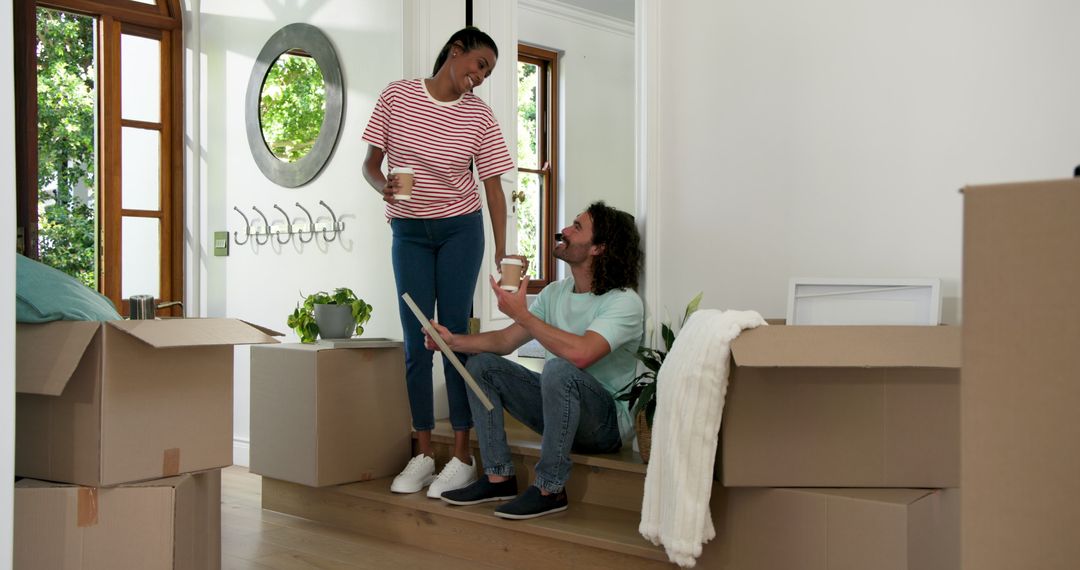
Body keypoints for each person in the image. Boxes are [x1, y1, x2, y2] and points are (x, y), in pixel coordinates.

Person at [361, 27, 518, 499]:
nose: (481, 76)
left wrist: (501, 248)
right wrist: (381, 187)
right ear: (455, 52)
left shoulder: (479, 116)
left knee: (453, 336)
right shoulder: (397, 95)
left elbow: (492, 186)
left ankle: (463, 457)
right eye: (479, 64)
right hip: (408, 231)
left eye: (488, 71)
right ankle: (424, 453)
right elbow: (371, 164)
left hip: (459, 230)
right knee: (416, 342)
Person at [424, 202, 644, 519]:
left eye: (576, 228)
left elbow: (582, 354)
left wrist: (523, 315)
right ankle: (499, 476)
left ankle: (549, 489)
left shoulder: (624, 302)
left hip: (603, 426)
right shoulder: (555, 292)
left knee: (559, 369)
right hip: (559, 411)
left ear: (598, 248)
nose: (564, 231)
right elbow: (504, 341)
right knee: (481, 365)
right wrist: (452, 340)